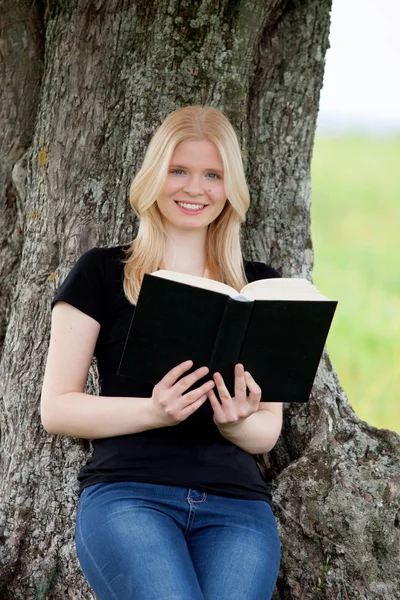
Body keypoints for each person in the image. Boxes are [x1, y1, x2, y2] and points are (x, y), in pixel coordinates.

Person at [40, 105, 283, 600]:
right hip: (130, 495)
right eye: (179, 171)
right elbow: (57, 408)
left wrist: (234, 421)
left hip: (237, 507)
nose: (195, 189)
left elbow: (266, 431)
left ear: (230, 187)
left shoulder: (260, 287)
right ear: (155, 177)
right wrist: (154, 410)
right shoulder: (102, 273)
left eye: (212, 175)